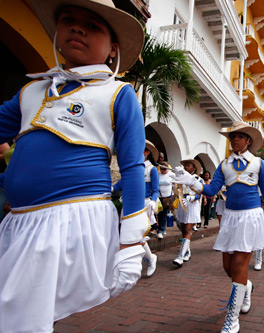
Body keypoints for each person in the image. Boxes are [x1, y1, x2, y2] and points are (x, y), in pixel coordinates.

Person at [0, 1, 147, 331]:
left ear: (113, 49)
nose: (77, 28)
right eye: (68, 20)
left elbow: (133, 167)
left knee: (19, 320)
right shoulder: (33, 90)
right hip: (19, 222)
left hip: (69, 219)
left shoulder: (117, 93)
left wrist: (131, 242)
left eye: (92, 25)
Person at [171, 121, 264, 333]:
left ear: (248, 140)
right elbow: (211, 190)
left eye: (239, 136)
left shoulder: (258, 163)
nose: (234, 140)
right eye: (232, 137)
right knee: (228, 268)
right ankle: (245, 287)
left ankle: (233, 318)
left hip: (250, 217)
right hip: (230, 218)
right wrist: (191, 181)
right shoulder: (224, 164)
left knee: (239, 265)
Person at [114, 140, 159, 277]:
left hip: (144, 204)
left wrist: (153, 201)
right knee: (127, 236)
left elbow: (156, 190)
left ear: (147, 152)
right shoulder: (131, 168)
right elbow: (119, 185)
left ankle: (149, 259)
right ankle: (144, 259)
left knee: (139, 236)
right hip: (129, 204)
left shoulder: (152, 169)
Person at [173, 159, 203, 267]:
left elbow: (200, 194)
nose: (186, 167)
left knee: (188, 229)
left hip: (192, 205)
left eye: (188, 165)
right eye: (185, 165)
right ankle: (187, 251)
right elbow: (177, 191)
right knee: (184, 228)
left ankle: (180, 256)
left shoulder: (198, 179)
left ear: (194, 168)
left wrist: (192, 197)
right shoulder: (181, 178)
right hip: (183, 204)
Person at [157, 162, 174, 239]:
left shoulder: (171, 175)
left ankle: (161, 230)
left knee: (164, 214)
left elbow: (175, 186)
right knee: (158, 214)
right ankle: (160, 228)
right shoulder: (158, 174)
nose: (163, 170)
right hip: (159, 197)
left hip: (167, 197)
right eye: (161, 169)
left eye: (164, 169)